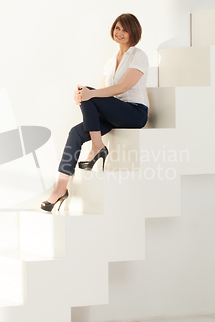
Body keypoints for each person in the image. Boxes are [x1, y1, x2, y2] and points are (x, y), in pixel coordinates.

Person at [41, 13, 149, 212]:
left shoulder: (138, 55)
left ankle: (98, 146)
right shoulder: (110, 62)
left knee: (88, 92)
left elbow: (123, 87)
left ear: (134, 32)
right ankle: (60, 188)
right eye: (117, 28)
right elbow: (99, 97)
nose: (120, 33)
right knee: (75, 132)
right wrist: (84, 97)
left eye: (125, 29)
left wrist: (89, 95)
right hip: (115, 114)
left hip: (134, 113)